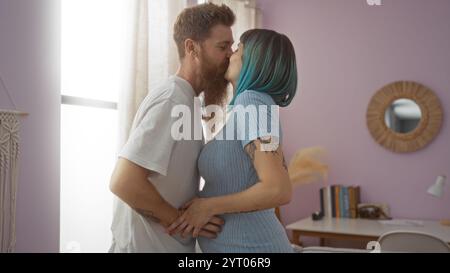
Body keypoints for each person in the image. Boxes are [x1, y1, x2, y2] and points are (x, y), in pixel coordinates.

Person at [108, 3, 236, 252]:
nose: (230, 54)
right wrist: (182, 221)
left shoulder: (188, 102)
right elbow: (123, 181)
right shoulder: (172, 101)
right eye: (222, 47)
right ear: (191, 48)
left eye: (231, 46)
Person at [167, 29, 298, 253]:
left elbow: (278, 189)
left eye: (237, 49)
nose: (230, 54)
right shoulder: (250, 108)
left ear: (254, 60)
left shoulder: (252, 103)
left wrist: (207, 207)